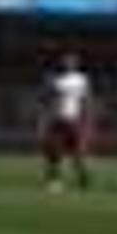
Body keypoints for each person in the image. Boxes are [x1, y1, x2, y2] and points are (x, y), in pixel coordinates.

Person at [41, 52, 96, 191]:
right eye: (66, 62)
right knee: (54, 152)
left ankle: (84, 179)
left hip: (74, 120)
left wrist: (88, 120)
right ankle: (54, 180)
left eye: (71, 62)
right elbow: (49, 99)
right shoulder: (57, 79)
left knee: (77, 154)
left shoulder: (81, 80)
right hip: (59, 120)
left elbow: (87, 99)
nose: (68, 64)